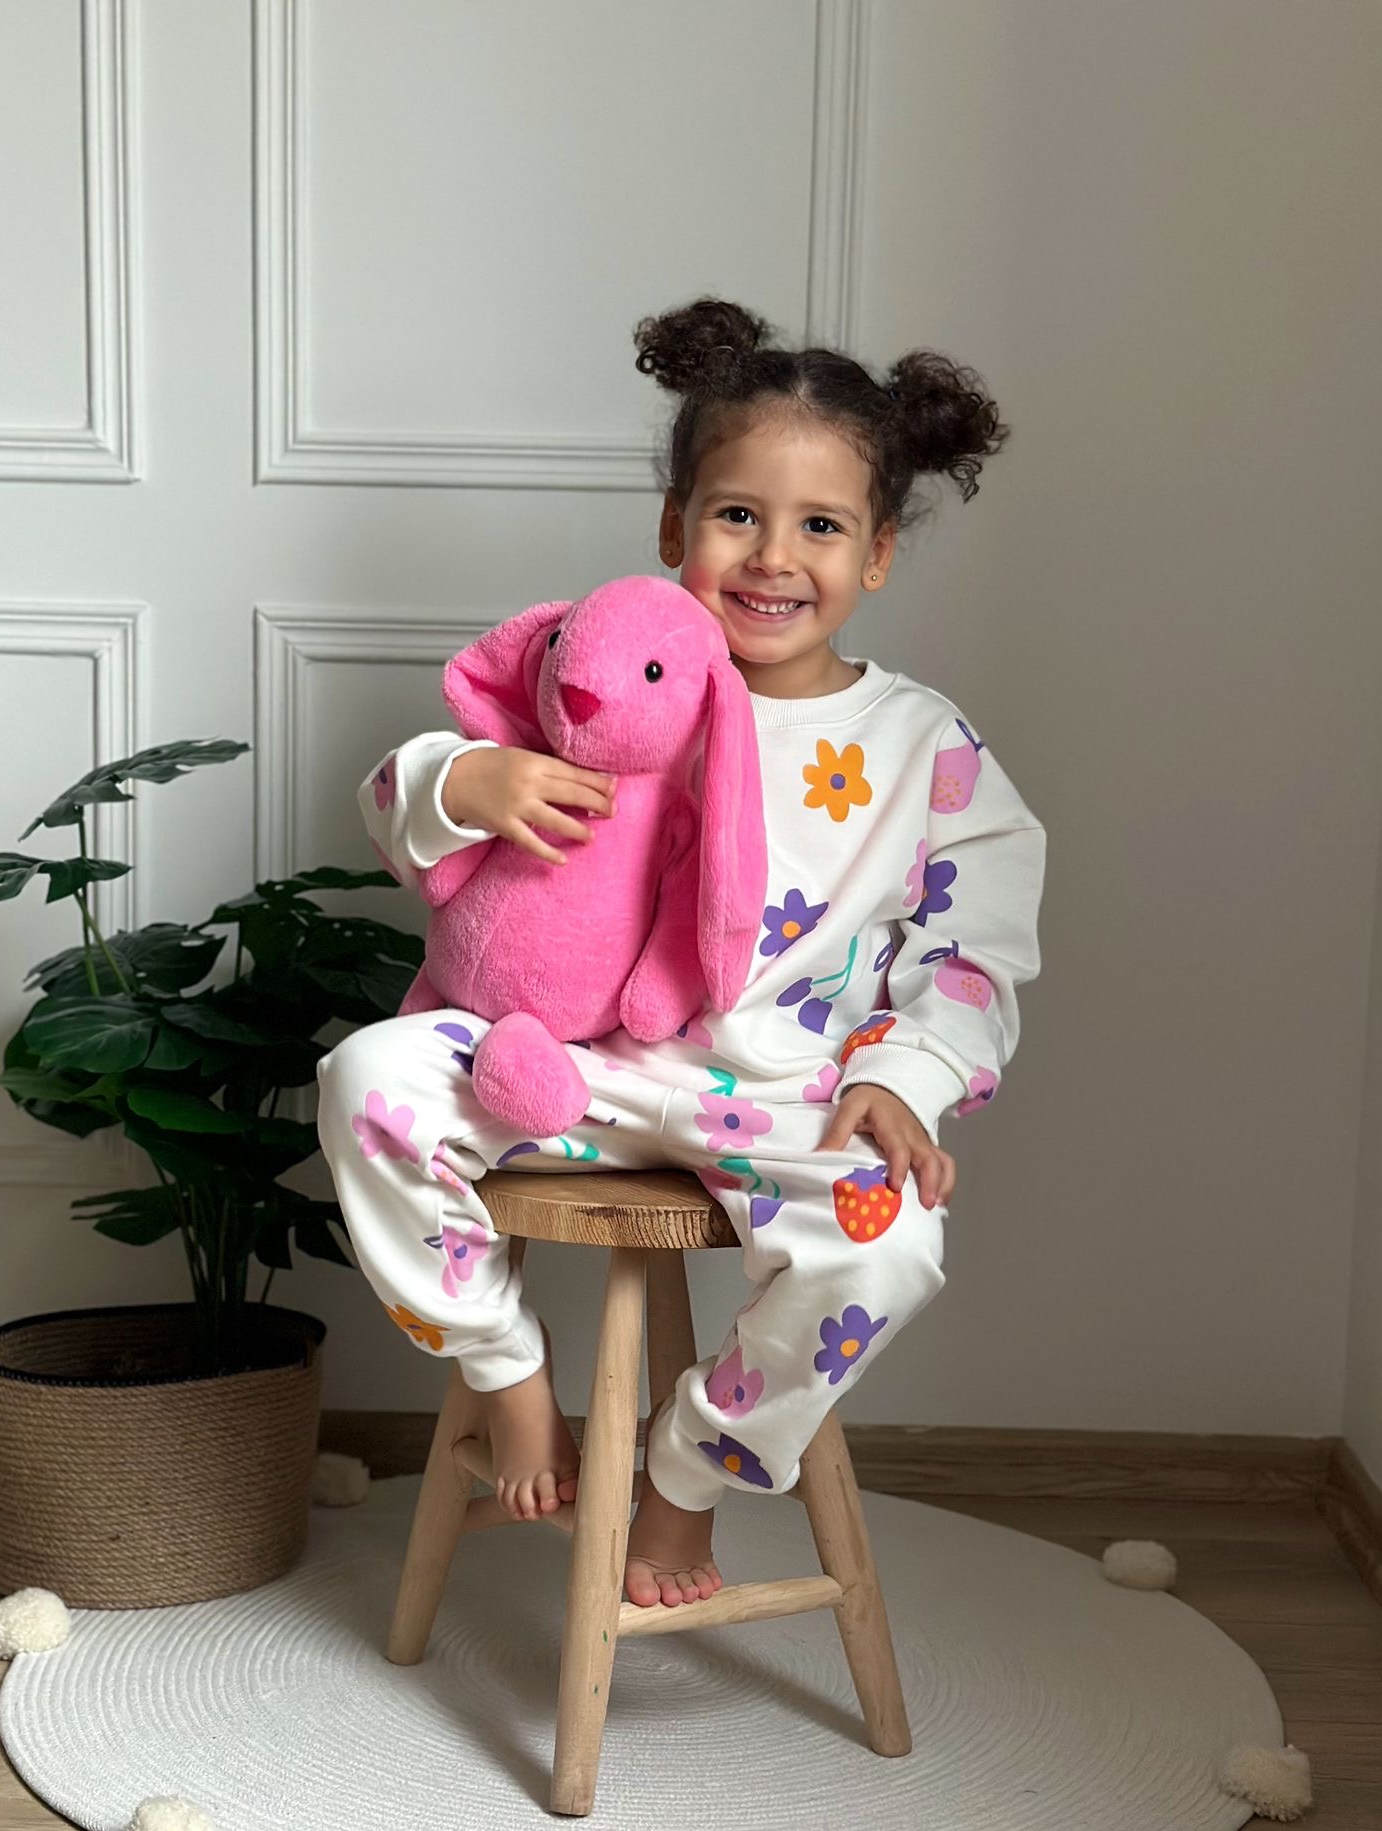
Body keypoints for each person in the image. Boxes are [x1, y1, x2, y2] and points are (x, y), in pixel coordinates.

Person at [315, 295, 1047, 1610]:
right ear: (675, 528)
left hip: (786, 1098)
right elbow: (407, 799)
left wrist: (908, 1076)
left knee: (890, 1246)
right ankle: (506, 1369)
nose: (773, 557)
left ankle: (692, 1467)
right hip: (575, 1071)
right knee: (366, 1079)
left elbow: (974, 946)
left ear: (879, 551)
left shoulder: (921, 747)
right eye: (737, 515)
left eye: (821, 526)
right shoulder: (604, 676)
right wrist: (464, 782)